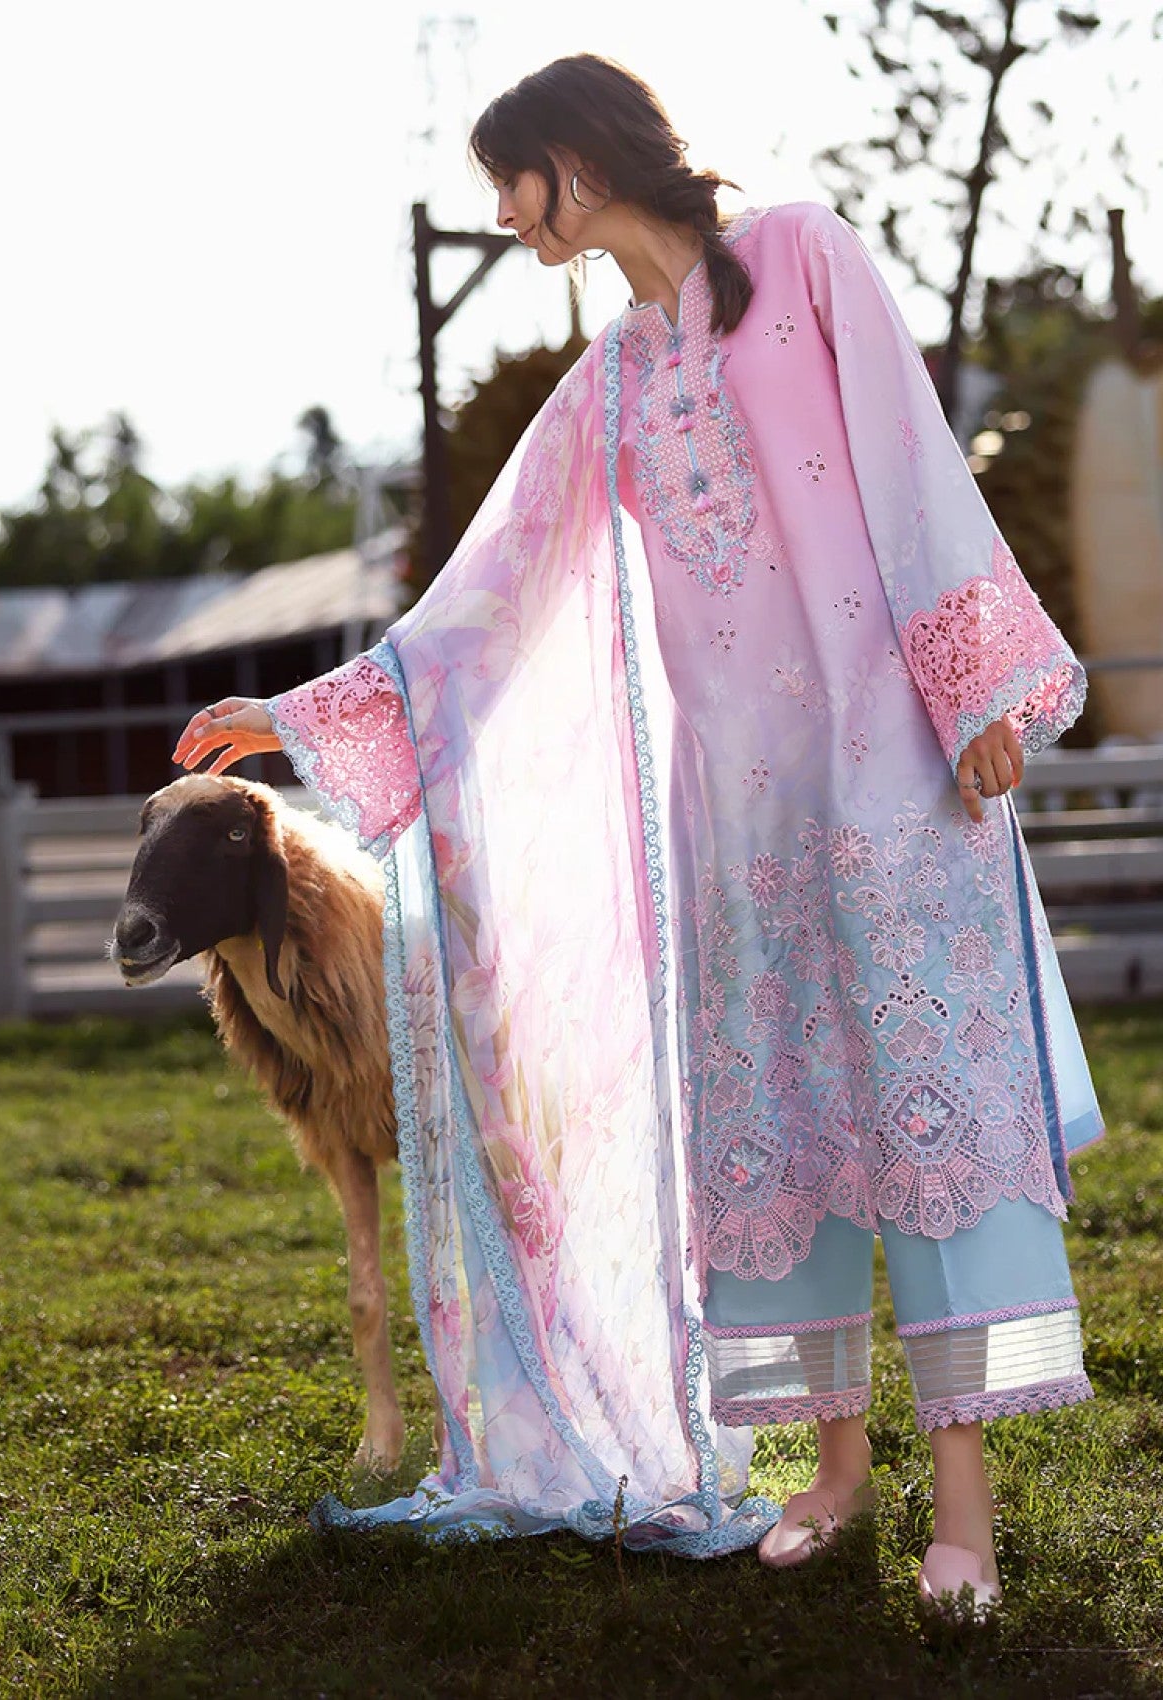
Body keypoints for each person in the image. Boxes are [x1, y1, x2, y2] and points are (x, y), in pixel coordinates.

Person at [172, 54, 1102, 1603]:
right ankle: (834, 1470)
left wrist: (970, 684)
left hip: (891, 773)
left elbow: (911, 465)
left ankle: (965, 1513)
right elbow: (489, 592)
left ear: (579, 160)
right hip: (740, 823)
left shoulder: (802, 255)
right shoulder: (610, 380)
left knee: (931, 1122)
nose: (504, 216)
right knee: (784, 1139)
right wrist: (304, 717)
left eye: (511, 182)